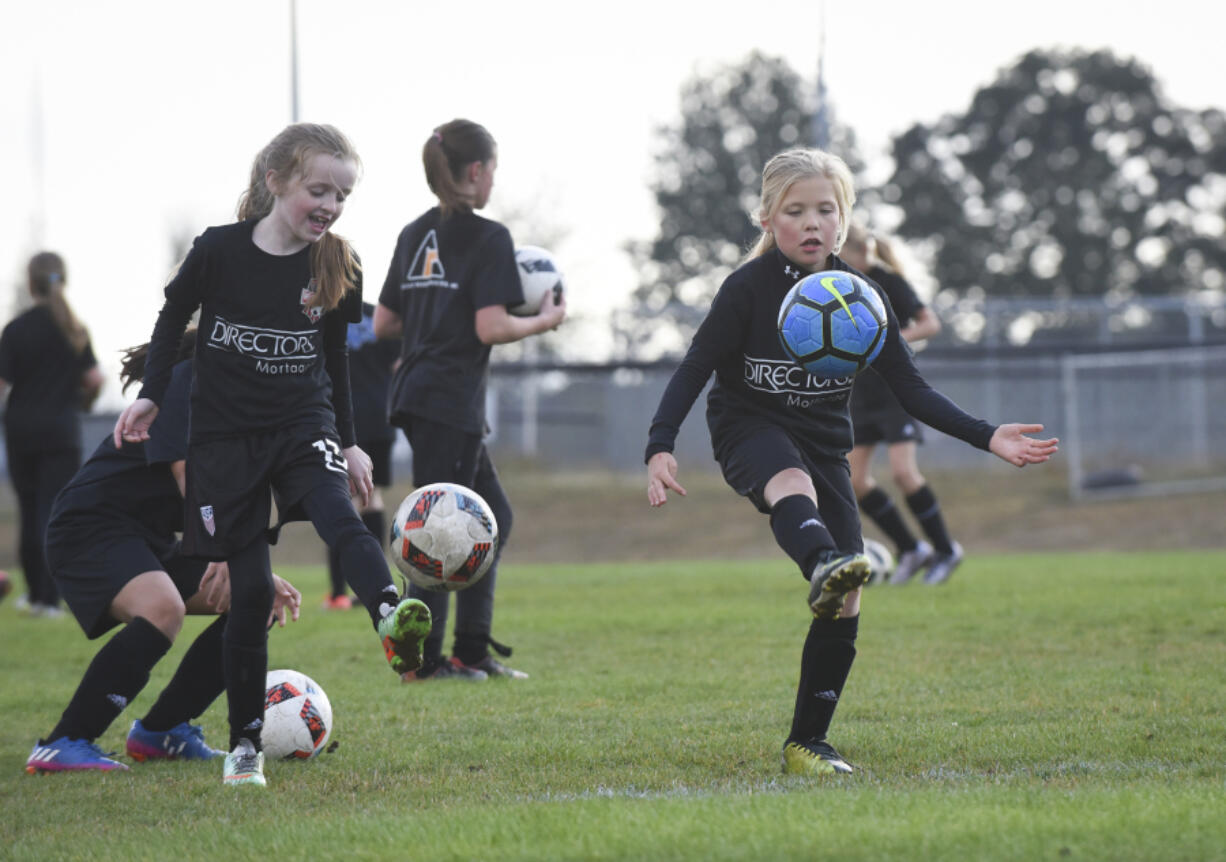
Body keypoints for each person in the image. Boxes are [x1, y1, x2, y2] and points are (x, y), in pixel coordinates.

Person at [644, 148, 1058, 776]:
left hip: (823, 439)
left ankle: (807, 742)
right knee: (790, 482)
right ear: (766, 219)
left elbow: (911, 389)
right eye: (795, 210)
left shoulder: (861, 297)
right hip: (747, 425)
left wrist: (986, 434)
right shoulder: (746, 289)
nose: (812, 223)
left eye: (825, 210)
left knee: (850, 596)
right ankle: (821, 562)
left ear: (844, 220)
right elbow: (695, 366)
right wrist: (659, 444)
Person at [112, 123, 432, 788]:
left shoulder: (336, 261)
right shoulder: (219, 252)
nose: (331, 206)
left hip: (301, 423)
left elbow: (335, 357)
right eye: (319, 190)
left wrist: (347, 440)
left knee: (339, 510)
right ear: (276, 181)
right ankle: (245, 747)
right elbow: (173, 322)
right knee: (251, 590)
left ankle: (388, 612)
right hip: (226, 442)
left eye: (342, 195)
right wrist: (150, 397)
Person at [26, 333, 302, 774]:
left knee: (256, 598)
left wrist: (252, 571)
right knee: (162, 608)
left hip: (146, 538)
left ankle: (162, 731)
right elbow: (188, 475)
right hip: (89, 526)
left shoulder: (244, 405)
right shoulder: (187, 381)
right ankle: (63, 741)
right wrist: (223, 552)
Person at [374, 119, 566, 682]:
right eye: (493, 171)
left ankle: (471, 650)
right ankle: (422, 662)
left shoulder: (414, 234)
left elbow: (386, 321)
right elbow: (489, 327)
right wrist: (545, 320)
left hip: (415, 392)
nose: (492, 183)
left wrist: (429, 327)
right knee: (436, 533)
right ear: (477, 171)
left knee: (491, 517)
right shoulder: (488, 238)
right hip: (448, 398)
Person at [839, 222, 961, 585]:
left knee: (903, 473)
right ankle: (911, 548)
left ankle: (945, 549)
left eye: (845, 258)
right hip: (860, 396)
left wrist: (888, 340)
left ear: (861, 254)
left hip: (894, 394)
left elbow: (930, 324)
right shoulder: (840, 285)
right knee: (855, 481)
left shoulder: (888, 281)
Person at [0, 252, 104, 617]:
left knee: (30, 512)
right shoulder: (73, 330)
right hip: (62, 433)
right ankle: (52, 598)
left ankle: (35, 595)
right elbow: (94, 380)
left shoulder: (16, 329)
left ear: (31, 283)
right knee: (54, 512)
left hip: (22, 431)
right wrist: (82, 402)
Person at [323, 301, 399, 611]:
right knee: (373, 497)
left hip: (341, 419)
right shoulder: (380, 317)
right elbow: (399, 364)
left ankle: (339, 592)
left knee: (340, 503)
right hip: (381, 418)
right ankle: (376, 586)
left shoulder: (324, 314)